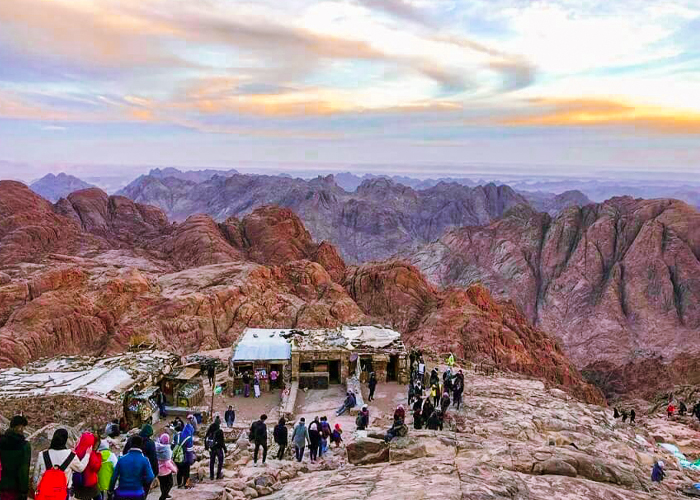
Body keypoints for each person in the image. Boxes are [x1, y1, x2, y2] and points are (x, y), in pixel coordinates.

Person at [33, 428, 92, 500]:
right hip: (61, 494)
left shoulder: (42, 454)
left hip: (44, 494)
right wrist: (87, 454)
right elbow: (81, 468)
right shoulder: (71, 455)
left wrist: (36, 488)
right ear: (65, 440)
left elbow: (35, 476)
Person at [108, 436, 155, 500]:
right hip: (137, 493)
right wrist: (142, 482)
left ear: (130, 444)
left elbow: (114, 478)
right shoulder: (144, 460)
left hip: (121, 493)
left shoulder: (121, 459)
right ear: (141, 445)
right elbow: (151, 476)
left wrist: (110, 491)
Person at [0, 415, 31, 500]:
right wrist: (24, 491)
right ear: (19, 427)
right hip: (15, 489)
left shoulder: (1, 440)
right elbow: (24, 470)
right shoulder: (24, 446)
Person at [124, 425, 157, 496]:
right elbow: (153, 460)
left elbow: (124, 453)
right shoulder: (150, 443)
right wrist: (155, 473)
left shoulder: (131, 440)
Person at [73, 432, 103, 500]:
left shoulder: (76, 451)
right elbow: (96, 467)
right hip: (89, 483)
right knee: (98, 497)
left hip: (78, 483)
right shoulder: (90, 453)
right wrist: (98, 455)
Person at [173, 417, 194, 489]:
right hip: (185, 459)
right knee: (186, 472)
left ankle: (179, 484)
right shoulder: (189, 438)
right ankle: (186, 484)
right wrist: (190, 461)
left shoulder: (177, 435)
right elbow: (189, 451)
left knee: (179, 471)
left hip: (177, 458)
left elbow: (172, 446)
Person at [155, 434, 177, 500]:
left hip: (159, 471)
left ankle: (165, 494)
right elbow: (167, 463)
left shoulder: (157, 447)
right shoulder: (166, 449)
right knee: (170, 484)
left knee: (162, 484)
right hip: (166, 472)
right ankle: (163, 497)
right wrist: (174, 469)